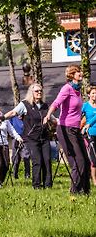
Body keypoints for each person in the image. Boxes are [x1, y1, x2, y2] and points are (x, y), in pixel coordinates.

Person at [44, 65, 90, 195]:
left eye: (80, 71)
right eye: (78, 71)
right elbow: (56, 103)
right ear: (72, 74)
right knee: (78, 161)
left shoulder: (78, 90)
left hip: (76, 129)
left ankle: (85, 191)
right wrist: (48, 115)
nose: (81, 73)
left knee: (86, 161)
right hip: (65, 129)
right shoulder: (67, 88)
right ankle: (74, 192)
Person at [2, 83, 53, 189]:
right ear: (32, 92)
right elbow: (12, 113)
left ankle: (48, 185)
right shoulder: (25, 104)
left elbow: (52, 118)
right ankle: (37, 185)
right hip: (31, 138)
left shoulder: (45, 106)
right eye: (37, 91)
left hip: (44, 137)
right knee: (37, 161)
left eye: (40, 91)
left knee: (47, 160)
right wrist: (1, 118)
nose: (39, 92)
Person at [81, 85, 96, 187]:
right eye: (93, 93)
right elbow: (78, 116)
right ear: (89, 94)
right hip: (90, 134)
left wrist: (89, 123)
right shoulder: (85, 106)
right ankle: (94, 181)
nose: (95, 95)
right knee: (94, 159)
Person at [8, 115, 31, 180]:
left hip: (25, 139)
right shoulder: (12, 117)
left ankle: (27, 175)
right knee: (15, 158)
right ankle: (15, 175)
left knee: (26, 157)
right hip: (15, 138)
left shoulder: (27, 116)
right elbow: (10, 128)